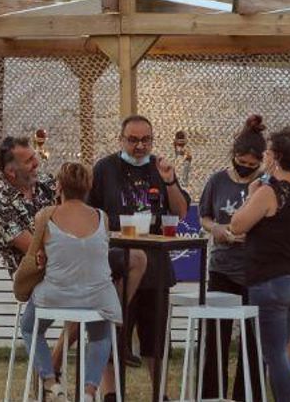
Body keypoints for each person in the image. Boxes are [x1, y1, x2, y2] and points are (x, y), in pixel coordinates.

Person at [86, 114, 190, 390]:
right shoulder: (105, 168)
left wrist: (169, 182)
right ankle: (110, 394)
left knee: (155, 341)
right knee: (113, 334)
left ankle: (160, 393)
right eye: (133, 140)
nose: (140, 146)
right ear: (121, 139)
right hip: (116, 265)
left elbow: (181, 212)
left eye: (146, 140)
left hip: (156, 266)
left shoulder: (161, 168)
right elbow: (89, 211)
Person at [226, 128, 290, 402]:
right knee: (283, 352)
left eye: (267, 152)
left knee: (273, 354)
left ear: (275, 158)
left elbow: (237, 224)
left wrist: (252, 194)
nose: (263, 156)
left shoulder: (268, 192)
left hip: (271, 282)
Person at [28, 162, 122, 402]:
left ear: (58, 186)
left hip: (57, 294)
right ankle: (90, 390)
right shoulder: (102, 217)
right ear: (88, 186)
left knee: (29, 326)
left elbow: (37, 254)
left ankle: (50, 381)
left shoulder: (45, 216)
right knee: (101, 335)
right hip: (98, 295)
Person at [196, 115, 267, 399]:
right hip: (222, 268)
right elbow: (204, 216)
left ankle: (247, 393)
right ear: (234, 155)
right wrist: (218, 230)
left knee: (254, 338)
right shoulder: (217, 181)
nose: (246, 168)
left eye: (252, 165)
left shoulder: (264, 185)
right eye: (242, 161)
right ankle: (212, 393)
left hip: (255, 269)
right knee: (215, 335)